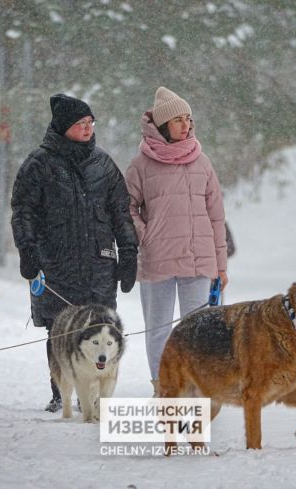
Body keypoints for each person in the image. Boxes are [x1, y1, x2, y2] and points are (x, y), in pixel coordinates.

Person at [11, 94, 138, 412]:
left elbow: (121, 212)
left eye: (90, 123)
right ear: (64, 127)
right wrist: (27, 249)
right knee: (61, 328)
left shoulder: (104, 165)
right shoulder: (38, 165)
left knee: (100, 329)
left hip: (99, 264)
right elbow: (23, 210)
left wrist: (129, 251)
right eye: (81, 124)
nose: (87, 129)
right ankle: (62, 391)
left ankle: (94, 395)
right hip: (56, 264)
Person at [125, 87, 228, 396]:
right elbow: (126, 208)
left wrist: (220, 268)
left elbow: (216, 218)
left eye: (188, 119)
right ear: (162, 125)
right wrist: (147, 235)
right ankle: (164, 386)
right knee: (158, 329)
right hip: (158, 260)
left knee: (199, 330)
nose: (185, 125)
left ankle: (197, 387)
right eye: (178, 120)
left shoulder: (202, 162)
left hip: (199, 261)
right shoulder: (141, 165)